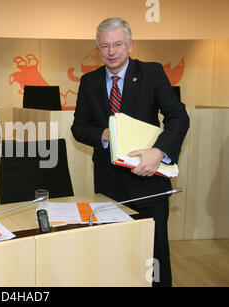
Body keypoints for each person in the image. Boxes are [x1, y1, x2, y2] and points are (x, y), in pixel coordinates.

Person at [71, 17, 189, 287]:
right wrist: (102, 134)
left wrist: (159, 151)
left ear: (130, 44)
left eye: (118, 44)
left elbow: (178, 117)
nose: (111, 52)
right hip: (108, 185)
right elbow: (78, 127)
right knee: (114, 254)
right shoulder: (89, 81)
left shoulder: (152, 72)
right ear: (97, 49)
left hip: (149, 181)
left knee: (153, 257)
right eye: (104, 46)